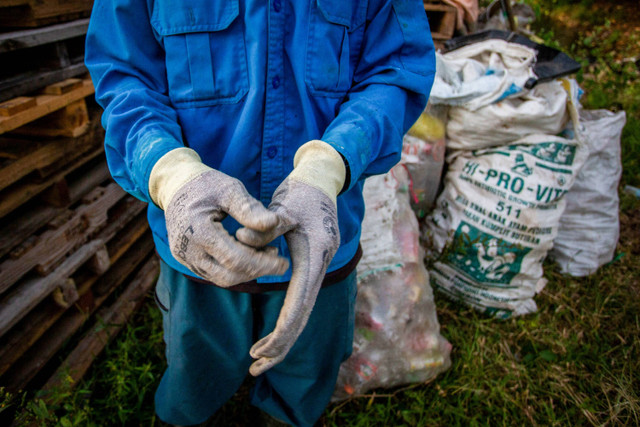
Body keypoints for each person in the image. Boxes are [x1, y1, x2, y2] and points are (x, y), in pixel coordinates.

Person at [85, 0, 435, 425]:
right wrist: (171, 175)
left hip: (322, 244)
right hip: (198, 249)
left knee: (302, 387)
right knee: (194, 377)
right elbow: (126, 77)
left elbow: (394, 72)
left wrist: (330, 164)